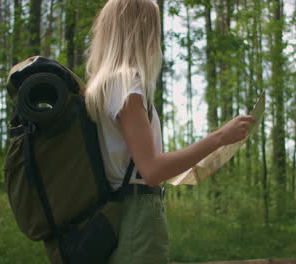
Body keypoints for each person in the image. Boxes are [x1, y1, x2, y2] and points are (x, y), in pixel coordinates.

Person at [83, 0, 255, 263]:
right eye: (154, 28)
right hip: (138, 222)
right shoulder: (126, 84)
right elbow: (151, 170)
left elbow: (137, 166)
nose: (157, 38)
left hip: (125, 214)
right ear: (140, 31)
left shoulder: (107, 84)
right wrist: (221, 137)